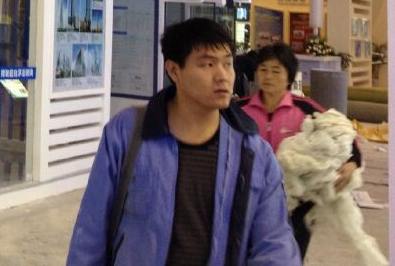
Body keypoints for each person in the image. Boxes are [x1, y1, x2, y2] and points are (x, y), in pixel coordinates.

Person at [66, 18, 299, 266]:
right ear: (174, 70)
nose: (222, 76)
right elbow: (91, 230)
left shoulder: (253, 153)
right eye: (208, 64)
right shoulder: (128, 134)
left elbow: (276, 244)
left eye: (227, 63)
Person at [237, 42, 361, 260]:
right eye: (263, 69)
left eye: (276, 70)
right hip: (250, 197)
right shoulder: (239, 109)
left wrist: (352, 163)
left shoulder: (306, 108)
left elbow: (344, 135)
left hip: (297, 203)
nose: (268, 76)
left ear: (289, 76)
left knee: (290, 256)